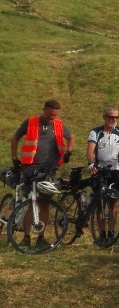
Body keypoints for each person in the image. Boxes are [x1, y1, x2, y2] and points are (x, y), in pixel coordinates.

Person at [10, 98, 75, 248]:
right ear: (44, 109)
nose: (52, 117)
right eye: (50, 114)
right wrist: (15, 158)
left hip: (50, 169)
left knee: (45, 203)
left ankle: (41, 238)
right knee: (30, 202)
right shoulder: (31, 122)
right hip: (30, 168)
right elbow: (15, 138)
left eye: (55, 115)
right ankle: (26, 237)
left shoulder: (58, 124)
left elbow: (71, 136)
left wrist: (68, 152)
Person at [87, 106, 119, 244]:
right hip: (99, 170)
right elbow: (90, 151)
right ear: (105, 117)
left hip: (114, 170)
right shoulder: (95, 132)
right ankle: (101, 233)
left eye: (116, 117)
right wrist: (92, 164)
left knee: (113, 203)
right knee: (100, 204)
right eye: (111, 117)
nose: (114, 119)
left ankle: (111, 232)